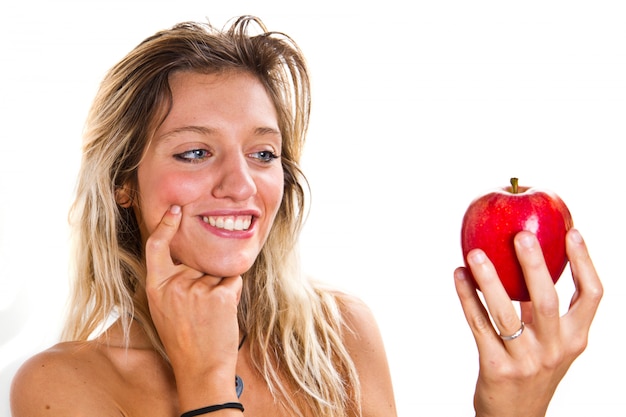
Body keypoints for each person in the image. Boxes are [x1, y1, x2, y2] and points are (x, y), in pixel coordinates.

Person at [9, 15, 602, 417]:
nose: (242, 184)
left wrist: (511, 412)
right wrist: (207, 379)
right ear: (123, 186)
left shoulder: (339, 335)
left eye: (264, 153)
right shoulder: (59, 387)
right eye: (195, 151)